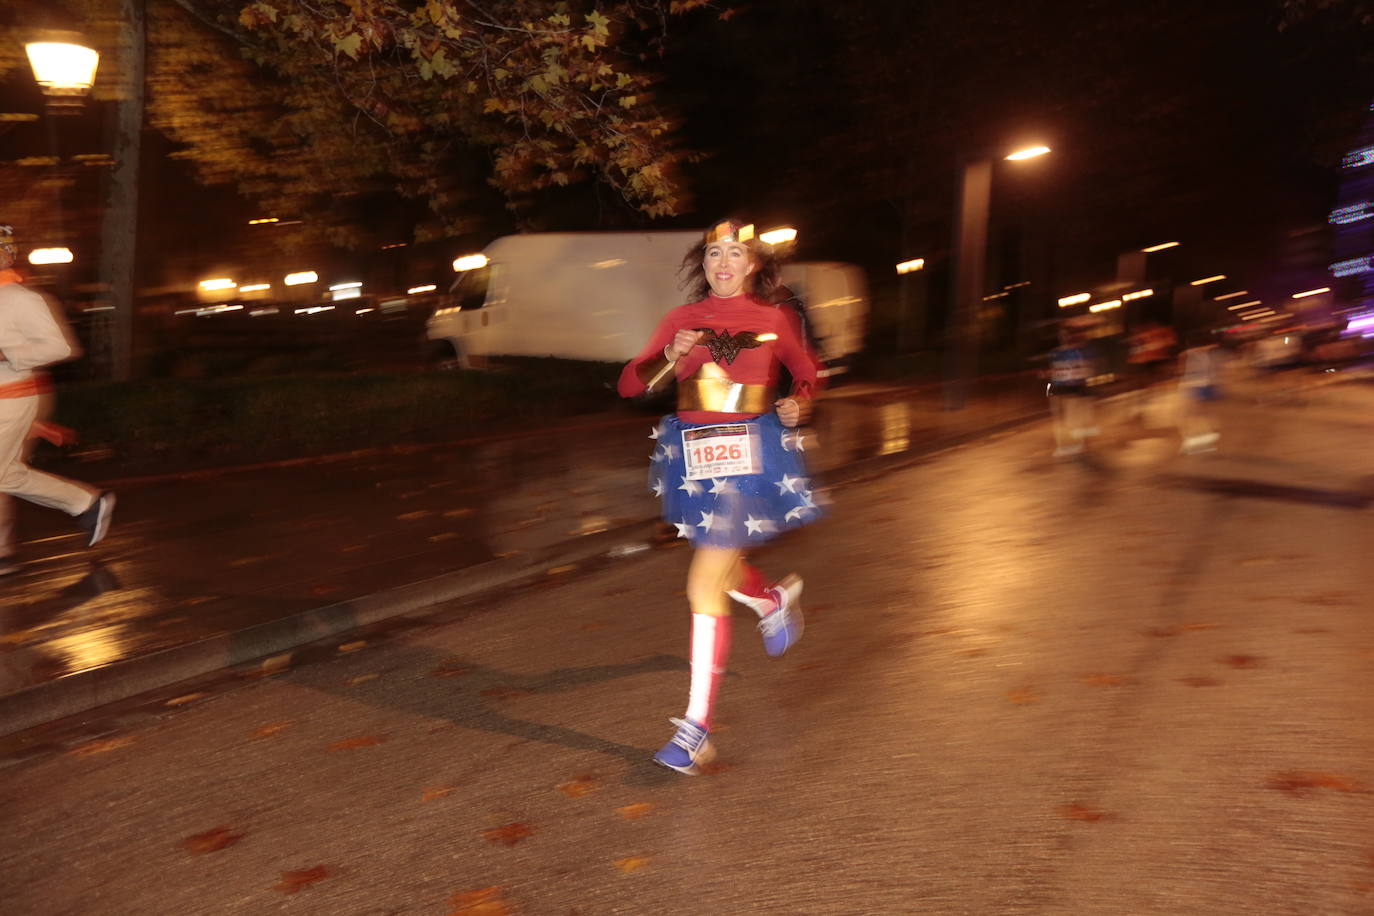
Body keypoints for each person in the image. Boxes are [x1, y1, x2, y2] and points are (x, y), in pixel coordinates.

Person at [617, 219, 821, 775]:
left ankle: (696, 731)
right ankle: (771, 600)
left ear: (752, 264)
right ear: (703, 263)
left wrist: (799, 402)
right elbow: (629, 385)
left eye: (734, 253)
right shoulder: (681, 320)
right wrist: (667, 355)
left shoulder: (773, 317)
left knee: (704, 580)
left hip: (750, 459)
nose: (722, 262)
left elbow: (808, 372)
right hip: (694, 461)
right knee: (722, 565)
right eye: (712, 253)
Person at [0, 225, 114, 575]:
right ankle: (85, 503)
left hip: (11, 398)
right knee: (5, 475)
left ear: (6, 254)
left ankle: (85, 502)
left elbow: (60, 347)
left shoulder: (22, 298)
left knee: (2, 475)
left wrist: (6, 354)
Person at [1045, 322, 1099, 457]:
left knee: (1077, 417)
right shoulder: (1058, 353)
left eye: (1066, 335)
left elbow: (1085, 369)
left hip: (1075, 388)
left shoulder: (1075, 351)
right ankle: (1075, 444)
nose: (1065, 337)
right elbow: (1057, 371)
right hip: (1066, 388)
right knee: (1072, 417)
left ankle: (1080, 444)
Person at [1177, 330, 1223, 454]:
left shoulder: (1190, 354)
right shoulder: (1207, 355)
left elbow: (1183, 371)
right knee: (1199, 414)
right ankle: (1208, 436)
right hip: (1204, 385)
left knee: (1188, 416)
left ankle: (1196, 441)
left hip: (1194, 387)